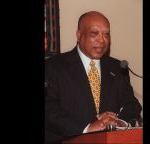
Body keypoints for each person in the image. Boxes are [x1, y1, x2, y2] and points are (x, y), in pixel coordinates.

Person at [45, 11, 142, 144]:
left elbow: (132, 105)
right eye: (94, 34)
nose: (102, 40)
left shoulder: (117, 67)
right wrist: (87, 128)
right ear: (79, 35)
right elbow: (49, 109)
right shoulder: (54, 66)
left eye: (106, 34)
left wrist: (118, 122)